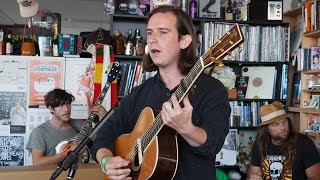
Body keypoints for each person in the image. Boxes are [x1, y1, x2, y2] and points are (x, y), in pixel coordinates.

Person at [94, 5, 230, 180]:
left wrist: (186, 128)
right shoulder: (138, 93)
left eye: (163, 32)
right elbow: (105, 133)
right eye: (150, 33)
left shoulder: (212, 90)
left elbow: (213, 145)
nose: (152, 40)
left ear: (184, 41)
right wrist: (106, 160)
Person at [26, 88, 107, 166]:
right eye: (61, 105)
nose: (66, 109)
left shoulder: (79, 124)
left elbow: (103, 140)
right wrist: (68, 153)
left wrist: (105, 116)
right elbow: (37, 162)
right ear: (51, 108)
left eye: (68, 104)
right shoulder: (40, 132)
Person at [247, 101, 320, 180]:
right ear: (266, 129)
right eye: (275, 124)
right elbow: (252, 175)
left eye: (284, 121)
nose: (282, 128)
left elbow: (315, 177)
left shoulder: (304, 142)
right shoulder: (259, 143)